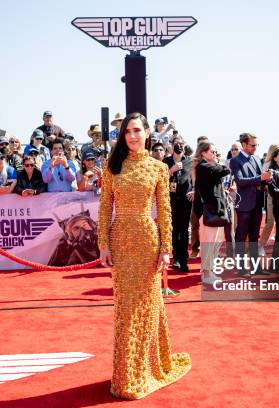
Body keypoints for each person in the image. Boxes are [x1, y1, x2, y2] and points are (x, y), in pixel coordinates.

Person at [98, 112, 191, 400]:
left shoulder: (158, 168)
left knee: (148, 305)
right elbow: (104, 209)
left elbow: (164, 210)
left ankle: (149, 366)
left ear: (148, 133)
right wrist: (103, 244)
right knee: (126, 311)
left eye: (137, 130)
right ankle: (127, 374)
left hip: (147, 241)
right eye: (128, 131)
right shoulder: (113, 166)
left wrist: (167, 249)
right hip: (121, 240)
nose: (132, 136)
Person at [230, 132, 271, 275]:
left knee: (254, 237)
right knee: (241, 237)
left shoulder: (256, 159)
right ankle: (241, 268)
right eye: (253, 145)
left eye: (256, 145)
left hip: (257, 203)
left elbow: (261, 179)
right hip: (245, 204)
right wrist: (261, 178)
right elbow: (240, 181)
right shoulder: (235, 161)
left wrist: (267, 179)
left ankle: (256, 267)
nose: (255, 147)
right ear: (244, 144)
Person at [193, 142, 231, 283]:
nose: (215, 155)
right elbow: (225, 170)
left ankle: (210, 271)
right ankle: (207, 274)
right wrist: (218, 162)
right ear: (203, 153)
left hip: (216, 209)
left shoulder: (209, 167)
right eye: (213, 152)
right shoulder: (203, 166)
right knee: (209, 242)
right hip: (209, 210)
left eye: (216, 152)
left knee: (216, 242)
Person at [163, 135, 192, 272]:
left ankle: (184, 259)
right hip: (170, 200)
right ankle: (176, 259)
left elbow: (194, 181)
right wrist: (171, 170)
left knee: (184, 230)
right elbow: (160, 179)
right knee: (174, 230)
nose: (179, 146)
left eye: (181, 143)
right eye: (176, 143)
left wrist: (194, 191)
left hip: (186, 200)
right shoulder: (166, 161)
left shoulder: (190, 162)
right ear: (172, 145)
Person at [259, 144, 279, 254]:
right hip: (272, 196)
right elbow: (264, 182)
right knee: (271, 222)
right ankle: (261, 245)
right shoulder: (267, 164)